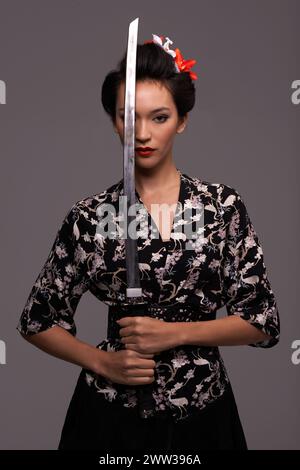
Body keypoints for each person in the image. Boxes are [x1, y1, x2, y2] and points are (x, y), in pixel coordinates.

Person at [17, 35, 280, 451]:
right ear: (114, 121)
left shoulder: (221, 207)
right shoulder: (90, 216)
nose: (143, 133)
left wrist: (173, 333)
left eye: (159, 117)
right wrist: (102, 361)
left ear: (182, 120)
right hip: (108, 417)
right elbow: (37, 320)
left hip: (203, 413)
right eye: (129, 117)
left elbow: (262, 322)